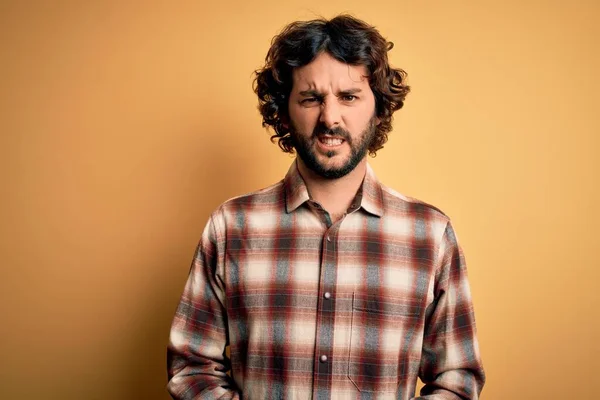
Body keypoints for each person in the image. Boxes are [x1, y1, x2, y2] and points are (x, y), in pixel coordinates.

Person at [166, 14, 485, 400]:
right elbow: (191, 368)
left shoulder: (430, 235)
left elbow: (457, 379)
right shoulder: (231, 227)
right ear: (283, 110)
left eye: (349, 97)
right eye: (311, 98)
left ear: (379, 108)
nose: (330, 117)